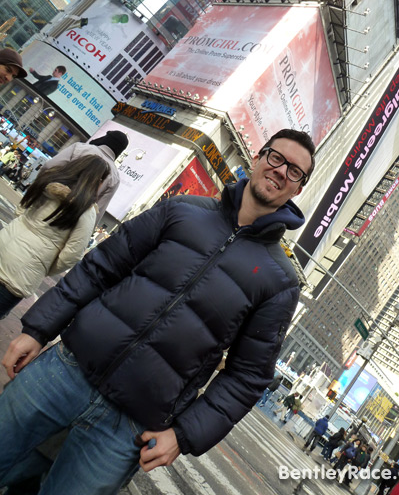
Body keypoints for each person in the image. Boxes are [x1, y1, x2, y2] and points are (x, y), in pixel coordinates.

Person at [0, 128, 315, 495]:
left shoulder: (280, 282)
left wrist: (183, 435)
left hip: (129, 428)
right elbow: (101, 267)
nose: (281, 171)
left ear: (299, 189)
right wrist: (37, 329)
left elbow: (246, 378)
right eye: (277, 158)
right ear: (259, 157)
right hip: (66, 370)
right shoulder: (182, 210)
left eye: (295, 171)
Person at [0, 155, 110, 318]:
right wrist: (44, 266)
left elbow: (21, 209)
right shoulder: (85, 210)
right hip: (21, 272)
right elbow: (71, 255)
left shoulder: (47, 182)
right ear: (97, 180)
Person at [41, 130, 128, 219]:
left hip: (45, 200)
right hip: (66, 218)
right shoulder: (115, 178)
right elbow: (97, 212)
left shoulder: (80, 148)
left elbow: (48, 166)